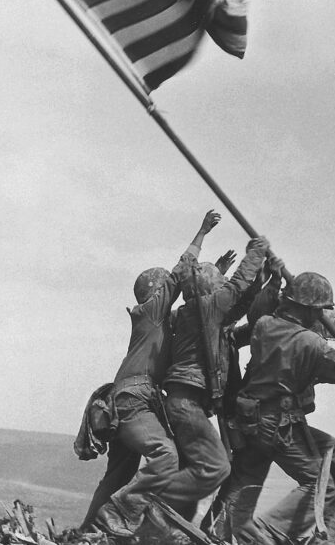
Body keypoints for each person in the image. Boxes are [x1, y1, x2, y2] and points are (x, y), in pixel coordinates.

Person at [82, 210, 223, 534]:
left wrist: (216, 275)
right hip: (134, 400)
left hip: (124, 401)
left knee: (118, 474)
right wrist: (201, 233)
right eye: (166, 290)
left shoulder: (155, 321)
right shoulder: (151, 312)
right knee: (165, 456)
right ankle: (119, 514)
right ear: (156, 292)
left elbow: (196, 301)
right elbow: (181, 273)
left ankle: (87, 534)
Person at [220, 272, 335, 544]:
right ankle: (271, 532)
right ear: (307, 308)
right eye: (318, 310)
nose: (319, 316)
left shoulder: (265, 326)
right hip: (278, 424)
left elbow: (309, 364)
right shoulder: (311, 344)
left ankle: (230, 534)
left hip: (251, 420)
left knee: (334, 455)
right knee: (322, 485)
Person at [160, 234, 273, 519]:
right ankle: (141, 500)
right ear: (210, 289)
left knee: (193, 473)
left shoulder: (198, 316)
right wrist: (256, 252)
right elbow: (237, 288)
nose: (224, 290)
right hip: (187, 403)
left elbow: (243, 304)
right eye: (218, 285)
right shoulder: (206, 308)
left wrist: (266, 278)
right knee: (217, 467)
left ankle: (170, 527)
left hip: (187, 402)